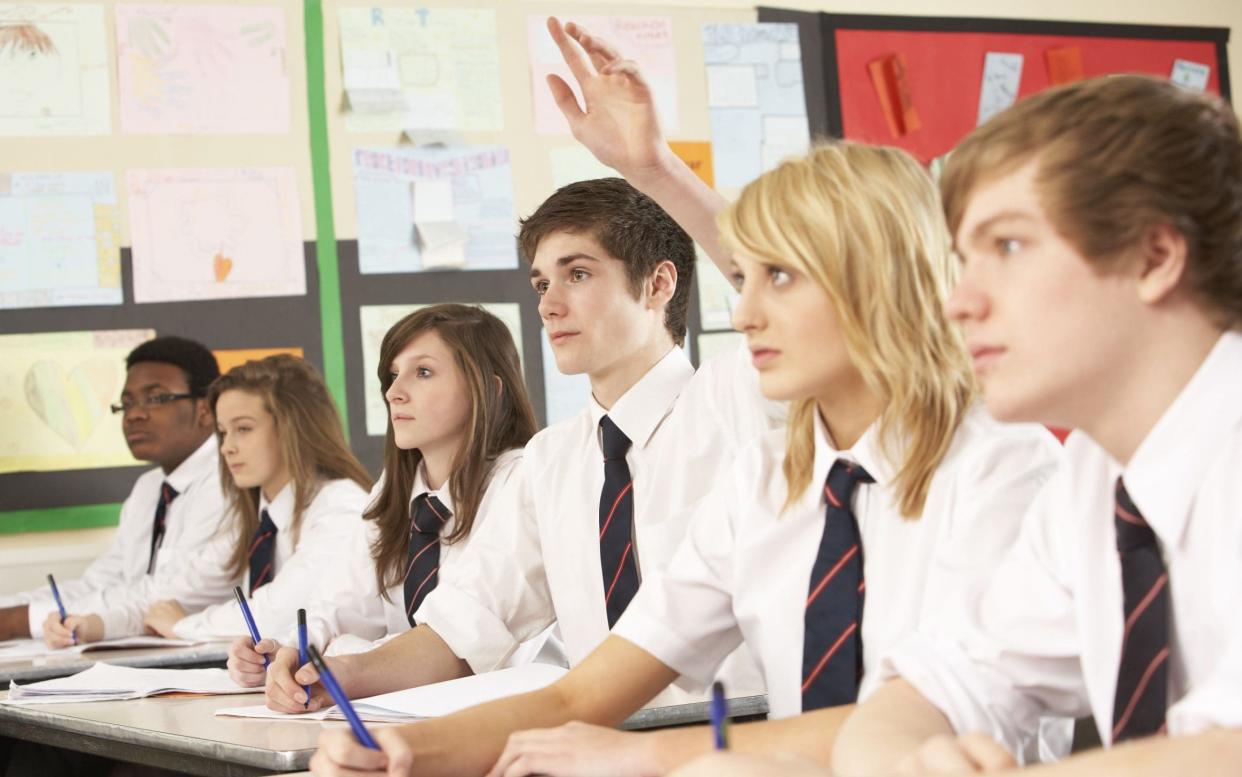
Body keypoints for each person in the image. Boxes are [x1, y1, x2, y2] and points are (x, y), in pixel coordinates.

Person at [307, 136, 1063, 776]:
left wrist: (653, 756)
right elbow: (579, 694)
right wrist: (402, 749)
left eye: (779, 276)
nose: (742, 312)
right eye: (749, 276)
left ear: (877, 280)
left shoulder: (1002, 467)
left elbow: (915, 729)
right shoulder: (766, 480)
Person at [819, 75, 1242, 776]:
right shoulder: (1096, 474)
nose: (958, 302)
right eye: (962, 258)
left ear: (1154, 257)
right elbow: (931, 683)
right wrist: (908, 761)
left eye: (1008, 247)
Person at [230, 305, 559, 707]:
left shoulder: (524, 480)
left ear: (487, 389)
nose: (393, 392)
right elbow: (342, 606)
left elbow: (461, 639)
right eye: (392, 374)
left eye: (422, 372)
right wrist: (296, 652)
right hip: (404, 711)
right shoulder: (395, 490)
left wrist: (348, 660)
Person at [0, 336, 234, 645]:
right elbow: (102, 581)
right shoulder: (148, 489)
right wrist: (9, 611)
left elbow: (170, 594)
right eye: (127, 403)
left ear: (205, 409)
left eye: (156, 398)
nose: (135, 414)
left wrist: (17, 621)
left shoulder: (229, 481)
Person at [141, 354, 372, 642]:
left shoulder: (341, 508)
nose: (227, 448)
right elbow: (179, 587)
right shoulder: (258, 518)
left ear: (293, 428)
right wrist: (99, 622)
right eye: (223, 433)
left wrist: (184, 626)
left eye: (243, 429)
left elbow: (282, 612)